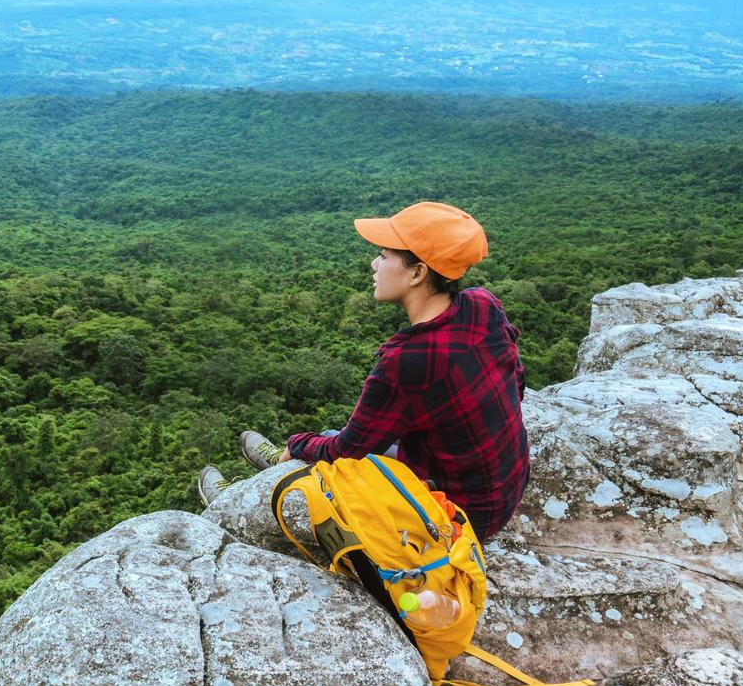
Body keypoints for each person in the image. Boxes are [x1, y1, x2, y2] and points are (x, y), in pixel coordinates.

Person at [198, 201, 530, 541]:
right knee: (329, 437)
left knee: (320, 472)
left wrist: (296, 444)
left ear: (418, 273)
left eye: (384, 256)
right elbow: (516, 382)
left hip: (454, 517)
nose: (374, 263)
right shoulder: (482, 303)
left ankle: (238, 500)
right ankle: (277, 465)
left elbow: (346, 451)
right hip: (502, 493)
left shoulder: (406, 361)